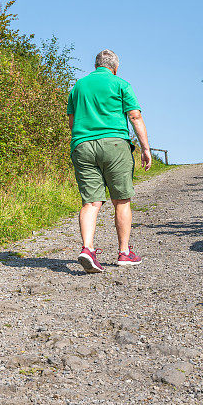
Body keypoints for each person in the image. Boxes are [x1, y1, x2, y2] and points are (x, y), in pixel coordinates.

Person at [66, 49, 152, 273]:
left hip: (82, 145)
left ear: (96, 65)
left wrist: (82, 140)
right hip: (115, 144)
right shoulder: (120, 83)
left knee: (91, 202)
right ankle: (124, 253)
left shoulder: (78, 86)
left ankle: (87, 249)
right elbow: (135, 116)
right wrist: (145, 148)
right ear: (115, 67)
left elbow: (72, 120)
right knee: (121, 200)